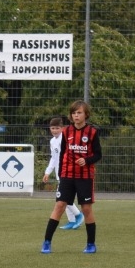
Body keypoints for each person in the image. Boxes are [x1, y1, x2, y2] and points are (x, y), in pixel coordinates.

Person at [41, 100, 100, 254]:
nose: (76, 115)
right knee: (60, 205)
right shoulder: (66, 132)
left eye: (79, 112)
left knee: (86, 209)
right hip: (67, 176)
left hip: (84, 177)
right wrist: (61, 174)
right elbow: (62, 154)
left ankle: (91, 244)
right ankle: (46, 242)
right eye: (74, 113)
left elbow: (98, 155)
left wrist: (86, 160)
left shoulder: (92, 132)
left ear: (86, 114)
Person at [40, 115, 82, 230]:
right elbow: (53, 158)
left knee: (62, 198)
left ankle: (78, 215)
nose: (54, 130)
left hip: (67, 172)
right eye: (52, 128)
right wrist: (47, 172)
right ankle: (72, 221)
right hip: (60, 173)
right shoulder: (52, 141)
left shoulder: (66, 139)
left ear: (62, 128)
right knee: (64, 198)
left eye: (57, 128)